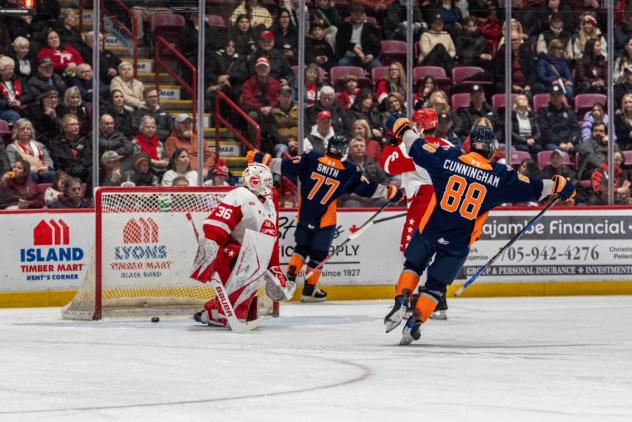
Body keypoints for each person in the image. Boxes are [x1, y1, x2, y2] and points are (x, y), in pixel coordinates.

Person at [382, 118, 576, 345]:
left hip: (431, 228)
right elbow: (534, 188)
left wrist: (403, 127)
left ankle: (401, 300)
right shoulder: (499, 176)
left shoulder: (447, 157)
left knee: (413, 266)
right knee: (436, 286)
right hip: (459, 241)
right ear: (493, 150)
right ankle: (415, 323)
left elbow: (415, 145)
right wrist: (560, 185)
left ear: (469, 144)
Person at [247, 135, 403, 302]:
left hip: (305, 213)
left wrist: (264, 160)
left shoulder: (312, 157)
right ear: (343, 151)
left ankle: (289, 280)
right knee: (318, 255)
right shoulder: (349, 170)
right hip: (325, 219)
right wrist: (388, 192)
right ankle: (309, 290)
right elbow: (366, 189)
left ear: (328, 147)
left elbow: (287, 167)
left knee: (301, 248)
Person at [190, 162, 293, 328]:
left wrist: (275, 269)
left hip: (247, 257)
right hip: (228, 254)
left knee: (256, 256)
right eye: (266, 179)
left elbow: (270, 239)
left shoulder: (269, 204)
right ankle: (225, 312)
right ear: (255, 180)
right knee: (250, 255)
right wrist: (210, 247)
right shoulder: (240, 195)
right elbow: (218, 223)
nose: (270, 183)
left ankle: (216, 311)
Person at [380, 108, 453, 319]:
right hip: (446, 203)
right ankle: (438, 300)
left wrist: (393, 139)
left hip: (424, 201)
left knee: (413, 253)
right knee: (440, 249)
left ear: (419, 125)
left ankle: (408, 299)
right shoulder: (448, 147)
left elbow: (388, 165)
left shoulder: (413, 146)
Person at [5, 118, 55, 183]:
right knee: (32, 175)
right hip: (25, 173)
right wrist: (27, 169)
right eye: (22, 129)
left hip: (41, 171)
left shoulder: (39, 145)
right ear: (16, 131)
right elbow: (12, 165)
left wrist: (47, 167)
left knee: (54, 175)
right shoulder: (11, 148)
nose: (26, 131)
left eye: (28, 129)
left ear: (31, 131)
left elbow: (48, 159)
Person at [335, 4, 382, 72]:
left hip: (367, 56)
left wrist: (371, 55)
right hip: (349, 56)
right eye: (355, 14)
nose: (358, 16)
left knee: (377, 67)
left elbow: (377, 46)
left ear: (364, 15)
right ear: (351, 15)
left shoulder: (371, 28)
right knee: (342, 63)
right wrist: (354, 48)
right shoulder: (343, 27)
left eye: (360, 14)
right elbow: (340, 42)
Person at [536, 85, 581, 153]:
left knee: (584, 149)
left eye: (558, 95)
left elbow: (576, 129)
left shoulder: (570, 112)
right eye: (553, 95)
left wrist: (571, 142)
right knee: (558, 152)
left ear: (562, 96)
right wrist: (560, 142)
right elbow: (545, 131)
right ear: (550, 97)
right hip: (553, 143)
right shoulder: (543, 112)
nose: (555, 98)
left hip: (569, 143)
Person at [49, 114, 91, 183]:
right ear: (64, 128)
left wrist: (81, 165)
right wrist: (73, 166)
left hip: (82, 170)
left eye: (77, 124)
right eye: (72, 124)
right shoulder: (57, 142)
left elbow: (88, 156)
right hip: (66, 171)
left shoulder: (84, 141)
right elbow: (59, 159)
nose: (76, 127)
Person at [0, 55, 31, 122]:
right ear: (0, 71)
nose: (10, 71)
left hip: (19, 105)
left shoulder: (19, 80)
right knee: (13, 115)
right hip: (4, 109)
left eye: (11, 69)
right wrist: (8, 103)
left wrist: (20, 101)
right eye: (7, 69)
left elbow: (29, 95)